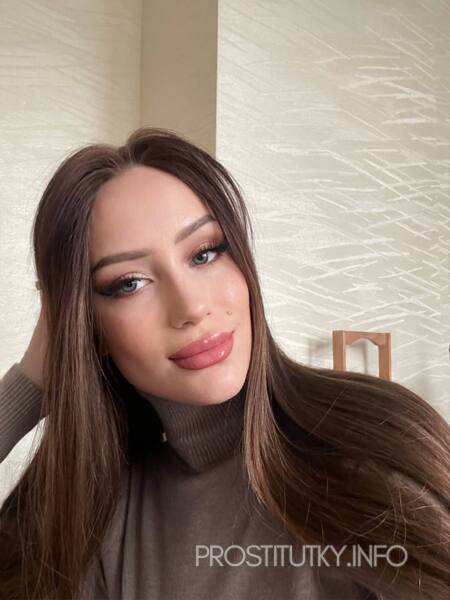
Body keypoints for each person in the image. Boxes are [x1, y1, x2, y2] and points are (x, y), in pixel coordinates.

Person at [0, 127, 448, 600]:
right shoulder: (97, 518)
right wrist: (33, 379)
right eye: (129, 283)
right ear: (88, 325)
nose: (192, 307)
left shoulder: (371, 449)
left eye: (205, 253)